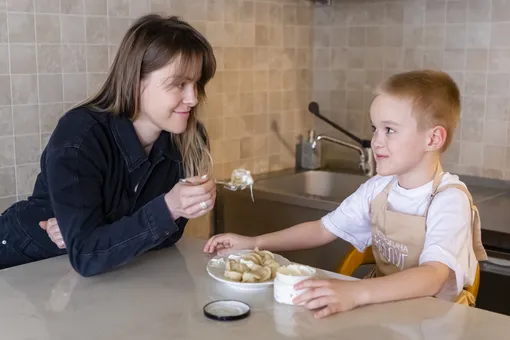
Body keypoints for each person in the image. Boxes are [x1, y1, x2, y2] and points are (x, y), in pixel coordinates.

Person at [204, 70, 488, 319]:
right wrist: (254, 243)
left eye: (390, 130)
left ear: (433, 139)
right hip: (387, 313)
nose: (376, 140)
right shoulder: (379, 187)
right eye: (375, 128)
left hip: (437, 321)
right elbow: (321, 229)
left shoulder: (449, 199)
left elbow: (433, 276)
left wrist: (357, 292)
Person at [0, 14, 217, 277]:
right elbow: (87, 255)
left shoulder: (188, 139)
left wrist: (97, 233)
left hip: (94, 276)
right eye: (180, 84)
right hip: (23, 261)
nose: (193, 98)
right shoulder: (80, 135)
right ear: (136, 81)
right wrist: (167, 208)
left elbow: (165, 238)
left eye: (197, 84)